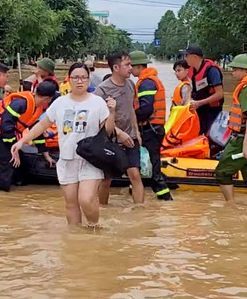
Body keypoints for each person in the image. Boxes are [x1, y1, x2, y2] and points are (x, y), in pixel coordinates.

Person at [10, 63, 116, 227]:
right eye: (75, 77)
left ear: (88, 80)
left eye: (83, 77)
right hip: (67, 158)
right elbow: (42, 124)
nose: (79, 81)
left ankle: (95, 228)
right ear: (69, 79)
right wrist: (22, 141)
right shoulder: (60, 102)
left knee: (86, 199)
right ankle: (75, 239)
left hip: (90, 159)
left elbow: (108, 131)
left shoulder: (98, 103)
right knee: (71, 203)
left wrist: (112, 113)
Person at [0, 81, 57, 191]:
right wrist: (14, 150)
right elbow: (6, 126)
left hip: (8, 135)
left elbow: (36, 133)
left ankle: (18, 194)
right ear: (47, 99)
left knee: (21, 167)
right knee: (7, 165)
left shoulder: (36, 108)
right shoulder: (21, 103)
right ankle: (1, 196)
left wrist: (46, 155)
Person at [215, 54, 247, 204]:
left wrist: (246, 144)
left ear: (245, 70)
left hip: (243, 139)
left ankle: (230, 206)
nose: (232, 72)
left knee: (222, 172)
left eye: (235, 69)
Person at [94, 52, 145, 205]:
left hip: (131, 138)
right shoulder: (102, 90)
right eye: (127, 65)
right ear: (116, 67)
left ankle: (140, 211)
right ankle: (102, 209)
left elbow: (131, 110)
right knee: (106, 180)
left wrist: (136, 132)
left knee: (135, 175)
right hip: (110, 140)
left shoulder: (131, 85)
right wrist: (120, 133)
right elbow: (100, 120)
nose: (131, 68)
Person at [129, 50, 171, 201]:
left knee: (153, 170)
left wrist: (131, 118)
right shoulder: (149, 80)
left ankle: (166, 199)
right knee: (142, 166)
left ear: (138, 66)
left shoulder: (146, 83)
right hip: (153, 129)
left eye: (131, 66)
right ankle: (135, 194)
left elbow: (145, 108)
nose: (129, 69)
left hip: (150, 130)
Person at [185, 45, 224, 135]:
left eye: (186, 55)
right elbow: (189, 89)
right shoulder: (191, 70)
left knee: (211, 137)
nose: (185, 58)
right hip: (198, 109)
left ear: (194, 57)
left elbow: (219, 94)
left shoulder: (211, 71)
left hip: (212, 111)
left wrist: (200, 103)